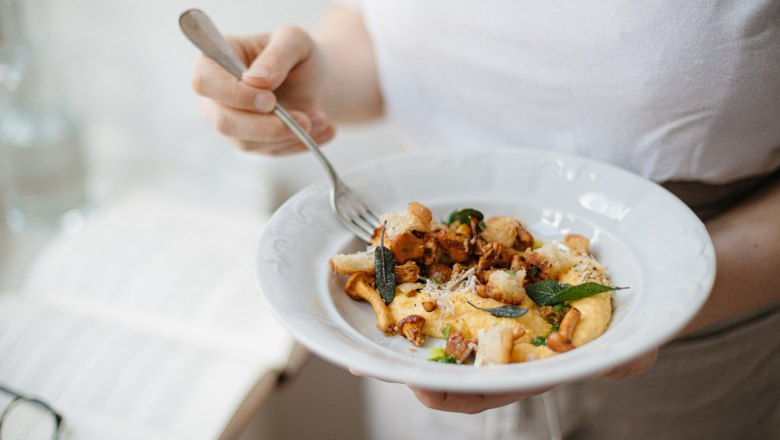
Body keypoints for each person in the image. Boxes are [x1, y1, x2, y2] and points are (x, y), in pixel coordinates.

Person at [191, 1, 780, 438]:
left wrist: (677, 290)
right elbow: (380, 24)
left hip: (699, 352)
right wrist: (323, 78)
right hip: (415, 375)